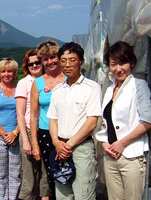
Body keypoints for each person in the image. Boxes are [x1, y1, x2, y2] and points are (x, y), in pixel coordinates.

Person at [95, 41, 151, 200]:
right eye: (113, 64)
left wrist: (122, 143)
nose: (118, 69)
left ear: (132, 63)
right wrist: (104, 143)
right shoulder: (109, 90)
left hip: (131, 156)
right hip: (111, 157)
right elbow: (105, 123)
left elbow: (148, 120)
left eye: (123, 63)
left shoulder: (138, 85)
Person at [47, 42, 102, 200]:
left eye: (72, 60)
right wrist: (57, 143)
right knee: (63, 194)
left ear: (81, 62)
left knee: (83, 194)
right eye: (63, 60)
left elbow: (91, 122)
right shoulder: (57, 90)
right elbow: (53, 119)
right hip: (60, 148)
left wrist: (68, 145)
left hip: (81, 148)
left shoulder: (92, 88)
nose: (67, 64)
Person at [30, 39, 66, 200]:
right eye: (45, 59)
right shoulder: (37, 83)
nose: (50, 62)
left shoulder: (68, 79)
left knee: (69, 172)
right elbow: (33, 114)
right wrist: (34, 144)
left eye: (53, 57)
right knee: (51, 173)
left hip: (67, 133)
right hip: (45, 133)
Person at [15, 49, 50, 200]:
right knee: (29, 175)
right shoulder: (24, 83)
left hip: (46, 130)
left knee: (45, 172)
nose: (35, 65)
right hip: (29, 131)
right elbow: (20, 114)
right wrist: (25, 140)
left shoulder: (48, 80)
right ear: (26, 66)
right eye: (31, 64)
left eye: (37, 62)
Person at [0, 58, 21, 200]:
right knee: (1, 175)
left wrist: (15, 133)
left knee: (15, 173)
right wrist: (4, 134)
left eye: (10, 71)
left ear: (15, 73)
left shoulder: (20, 89)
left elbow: (24, 113)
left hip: (17, 136)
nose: (7, 74)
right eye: (3, 71)